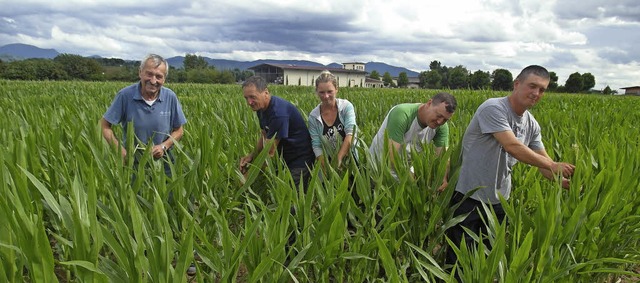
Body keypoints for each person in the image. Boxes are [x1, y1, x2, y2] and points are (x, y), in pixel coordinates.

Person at [444, 65, 576, 269]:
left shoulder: (531, 124)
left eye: (542, 90)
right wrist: (553, 165)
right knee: (458, 259)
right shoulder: (493, 108)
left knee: (486, 258)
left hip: (498, 201)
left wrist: (562, 180)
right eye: (532, 86)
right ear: (517, 84)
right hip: (468, 196)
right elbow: (512, 146)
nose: (536, 93)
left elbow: (543, 162)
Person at [100, 53, 187, 177]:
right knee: (134, 195)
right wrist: (120, 150)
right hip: (132, 161)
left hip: (164, 161)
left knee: (167, 195)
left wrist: (164, 146)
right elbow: (104, 126)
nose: (153, 81)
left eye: (158, 76)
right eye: (149, 74)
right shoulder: (125, 96)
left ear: (164, 79)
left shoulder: (170, 97)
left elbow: (179, 130)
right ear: (140, 72)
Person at [239, 76, 315, 189]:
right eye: (246, 98)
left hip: (300, 159)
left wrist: (248, 178)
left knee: (292, 197)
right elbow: (265, 135)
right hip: (285, 157)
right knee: (280, 189)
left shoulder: (278, 113)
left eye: (252, 97)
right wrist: (251, 156)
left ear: (266, 93)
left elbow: (269, 153)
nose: (249, 102)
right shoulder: (261, 109)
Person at [368, 92, 457, 189]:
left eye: (445, 120)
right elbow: (391, 157)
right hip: (379, 168)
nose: (440, 122)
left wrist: (442, 178)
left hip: (406, 168)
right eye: (438, 115)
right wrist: (413, 181)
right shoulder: (402, 114)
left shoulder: (441, 127)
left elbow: (443, 157)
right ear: (429, 103)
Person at [307, 70, 358, 172]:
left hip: (350, 160)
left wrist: (339, 159)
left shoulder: (346, 107)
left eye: (329, 91)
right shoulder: (313, 117)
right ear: (316, 91)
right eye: (321, 92)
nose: (326, 96)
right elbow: (316, 145)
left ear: (336, 89)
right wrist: (326, 169)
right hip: (328, 162)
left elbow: (351, 133)